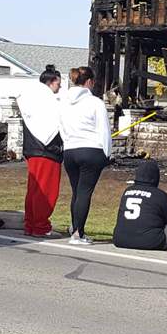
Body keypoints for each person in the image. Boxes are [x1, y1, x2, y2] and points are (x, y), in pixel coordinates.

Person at [59, 66, 112, 245]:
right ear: (89, 82)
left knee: (77, 192)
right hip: (91, 149)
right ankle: (77, 233)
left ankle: (75, 228)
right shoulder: (95, 103)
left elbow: (61, 127)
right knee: (84, 192)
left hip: (70, 150)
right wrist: (107, 153)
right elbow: (103, 130)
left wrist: (67, 144)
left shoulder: (64, 102)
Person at [18, 65, 64, 237]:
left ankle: (30, 224)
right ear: (51, 82)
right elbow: (57, 124)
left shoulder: (29, 97)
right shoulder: (49, 101)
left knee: (34, 189)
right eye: (58, 83)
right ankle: (40, 226)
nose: (59, 88)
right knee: (46, 191)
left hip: (32, 149)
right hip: (47, 150)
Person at [113, 161, 167, 251]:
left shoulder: (127, 191)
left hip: (120, 240)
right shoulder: (159, 194)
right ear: (156, 177)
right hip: (151, 241)